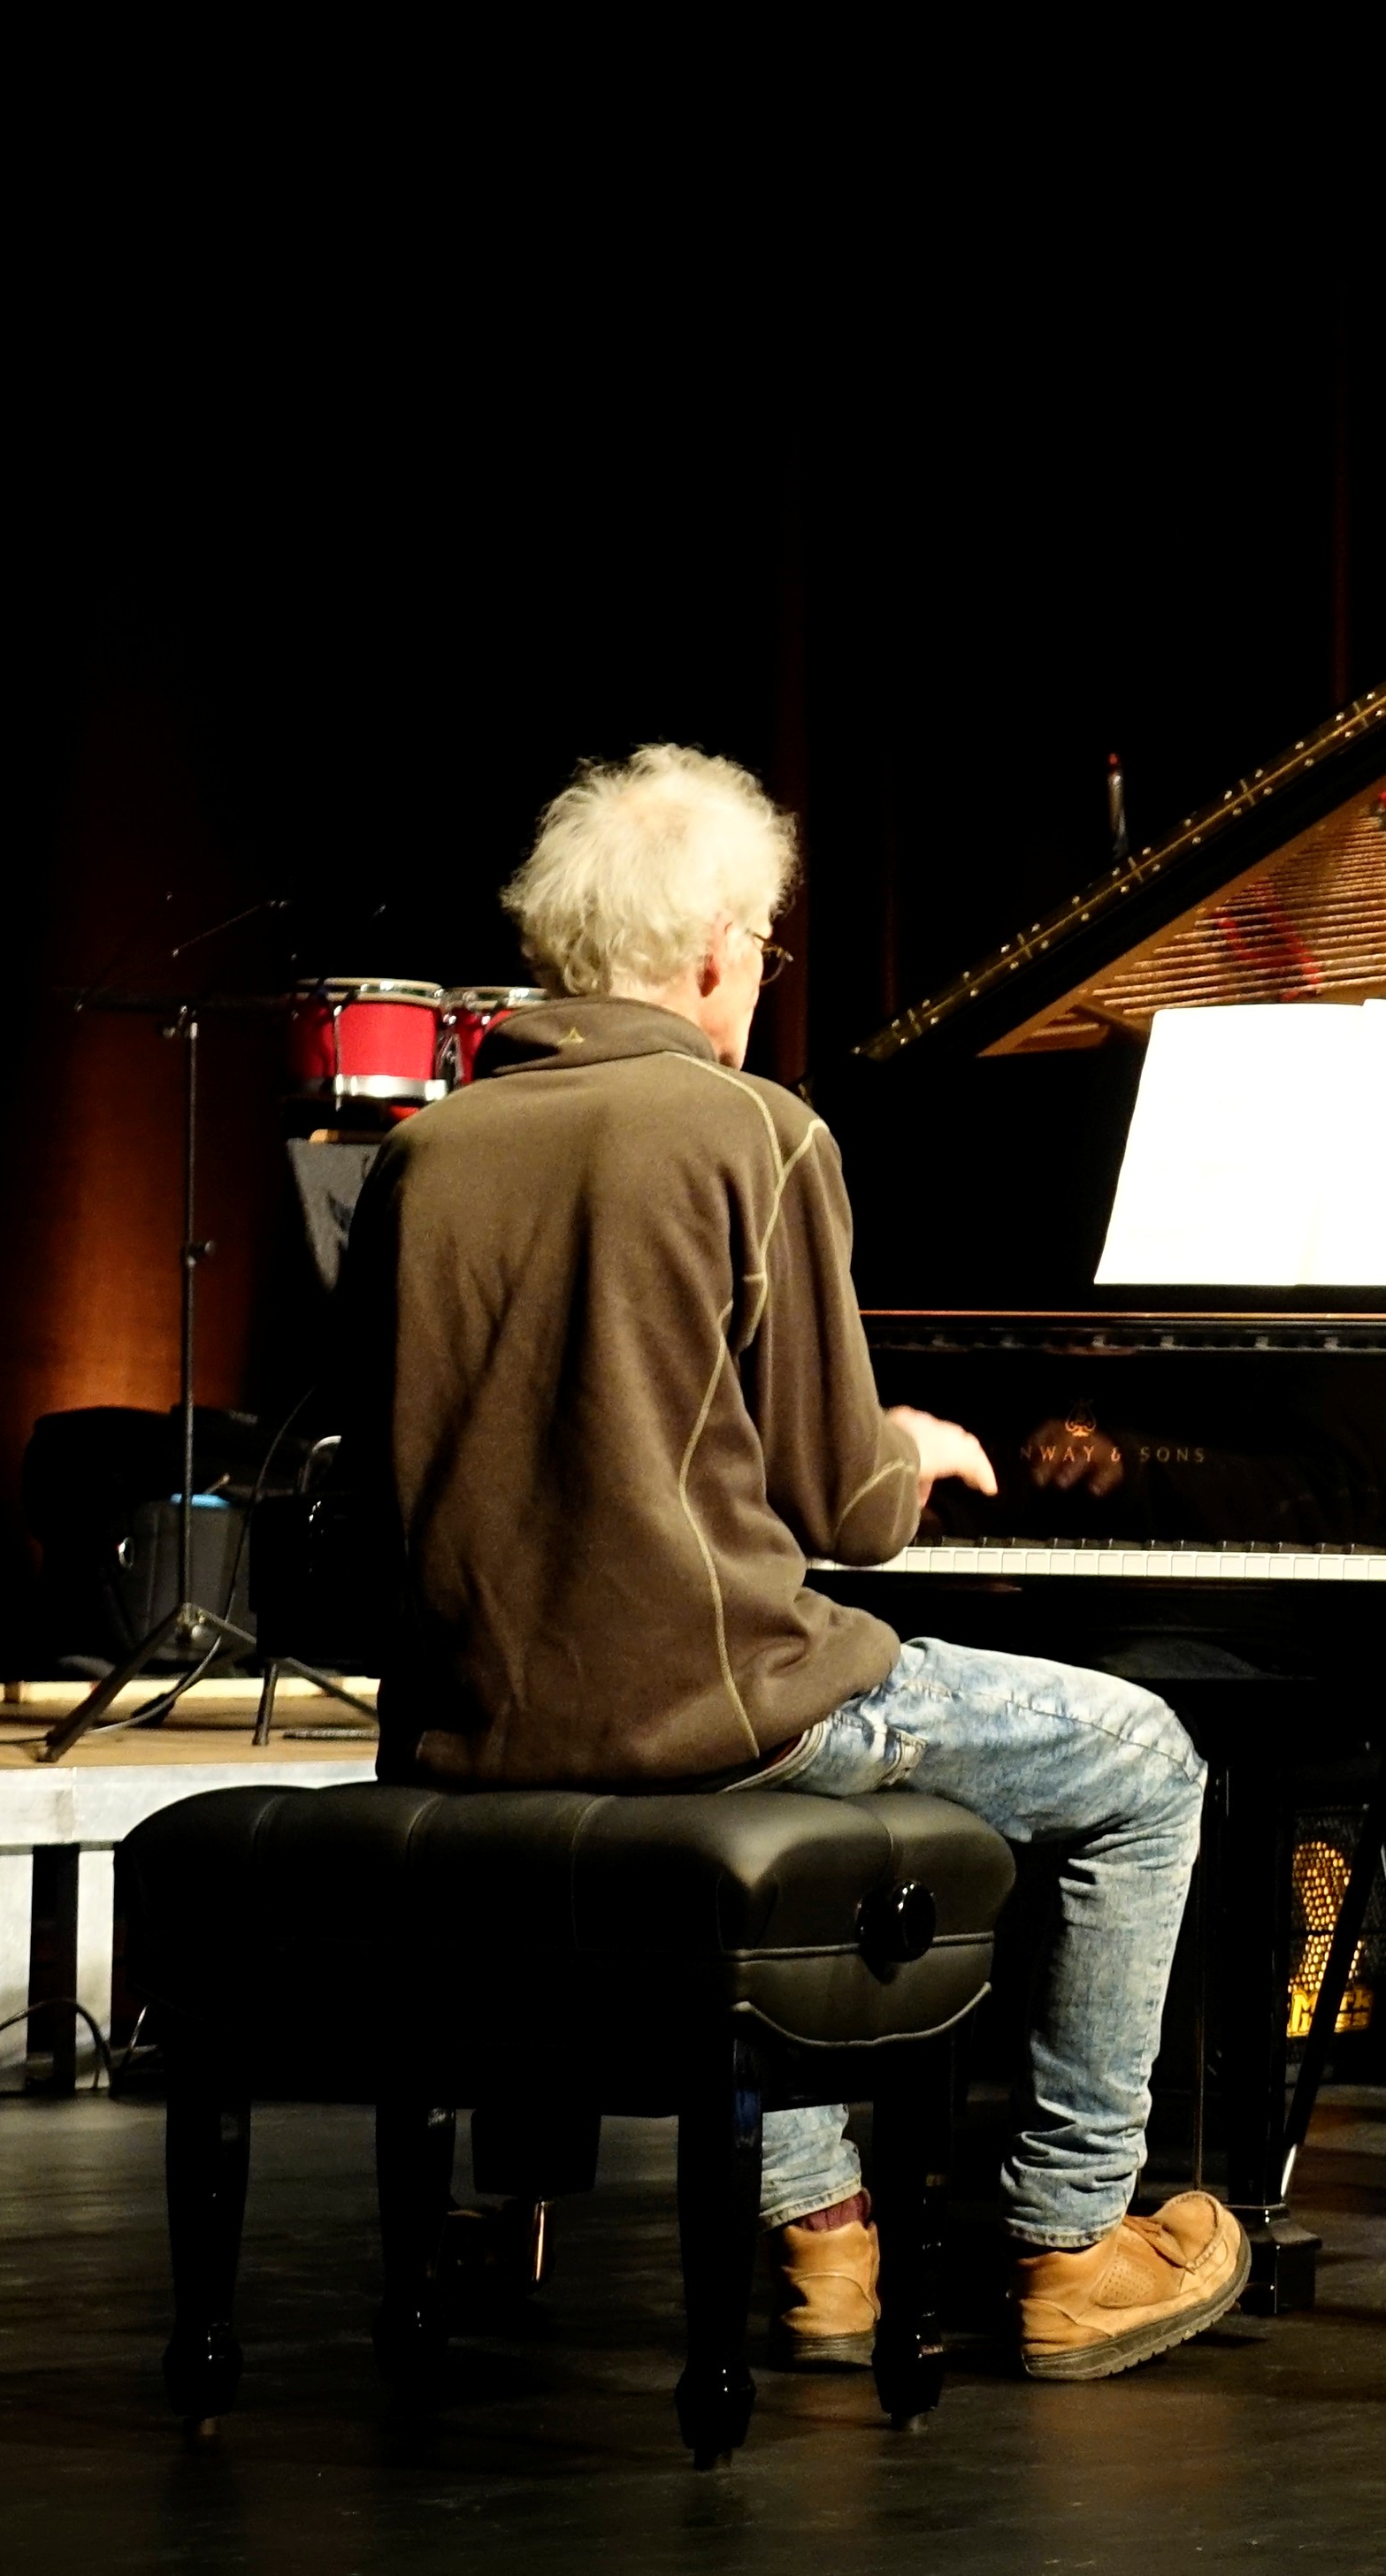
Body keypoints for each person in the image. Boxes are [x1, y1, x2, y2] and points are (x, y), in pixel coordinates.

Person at [349, 744, 1245, 2379]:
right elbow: (850, 1515)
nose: (762, 978)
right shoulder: (750, 1132)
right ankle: (1069, 2239)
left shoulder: (427, 1155)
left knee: (818, 1781)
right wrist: (917, 1444)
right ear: (709, 953)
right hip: (718, 1709)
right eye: (763, 948)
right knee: (1144, 1755)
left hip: (476, 1725)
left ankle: (826, 2241)